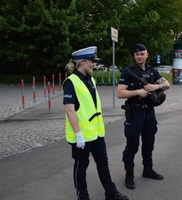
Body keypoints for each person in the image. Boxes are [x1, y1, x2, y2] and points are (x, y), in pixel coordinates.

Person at [63, 46, 129, 200]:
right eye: (91, 61)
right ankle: (83, 197)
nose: (94, 64)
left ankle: (111, 193)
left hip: (97, 133)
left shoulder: (90, 79)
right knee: (81, 167)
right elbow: (69, 110)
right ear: (82, 62)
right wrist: (78, 134)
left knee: (103, 163)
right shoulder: (71, 82)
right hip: (82, 136)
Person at [116, 43, 170, 190]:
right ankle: (129, 174)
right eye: (137, 54)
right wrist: (138, 92)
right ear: (134, 56)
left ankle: (148, 169)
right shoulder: (128, 71)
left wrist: (156, 87)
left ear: (147, 55)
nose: (139, 56)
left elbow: (167, 84)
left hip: (150, 113)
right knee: (132, 145)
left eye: (142, 54)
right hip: (135, 113)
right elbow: (120, 93)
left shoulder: (152, 71)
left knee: (149, 143)